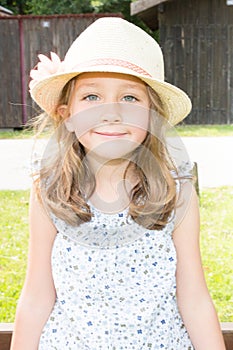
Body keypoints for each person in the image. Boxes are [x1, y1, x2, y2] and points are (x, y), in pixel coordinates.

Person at [11, 17, 225, 350]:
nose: (111, 113)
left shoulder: (175, 193)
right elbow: (37, 295)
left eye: (129, 98)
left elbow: (194, 297)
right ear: (66, 114)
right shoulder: (50, 191)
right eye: (92, 97)